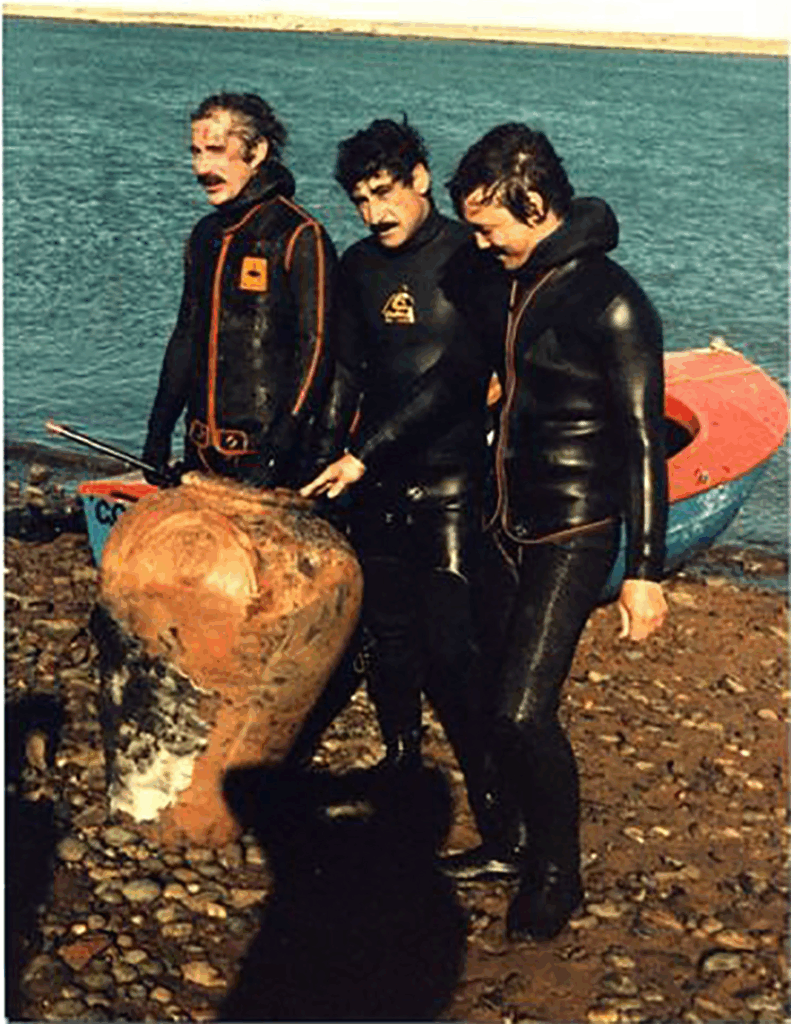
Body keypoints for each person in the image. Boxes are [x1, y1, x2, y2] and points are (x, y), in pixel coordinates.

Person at [310, 122, 669, 943]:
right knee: (479, 691)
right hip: (500, 518)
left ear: (533, 203)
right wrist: (362, 456)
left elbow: (645, 441)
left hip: (573, 530)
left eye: (488, 226)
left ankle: (557, 875)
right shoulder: (509, 285)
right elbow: (455, 381)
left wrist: (644, 571)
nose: (476, 242)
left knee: (519, 712)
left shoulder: (611, 302)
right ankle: (508, 845)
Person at [301, 119, 504, 833]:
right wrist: (323, 458)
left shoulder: (471, 258)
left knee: (453, 648)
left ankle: (493, 800)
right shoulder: (358, 265)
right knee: (388, 636)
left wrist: (364, 451)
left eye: (384, 192)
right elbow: (346, 373)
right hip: (376, 481)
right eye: (360, 200)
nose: (373, 213)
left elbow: (459, 379)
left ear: (420, 178)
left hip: (452, 481)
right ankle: (401, 760)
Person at [142, 92, 337, 489]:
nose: (202, 168)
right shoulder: (204, 235)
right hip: (201, 452)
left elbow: (316, 349)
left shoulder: (300, 235)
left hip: (269, 457)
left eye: (216, 151)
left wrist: (278, 448)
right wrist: (158, 431)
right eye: (196, 153)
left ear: (257, 151)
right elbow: (185, 337)